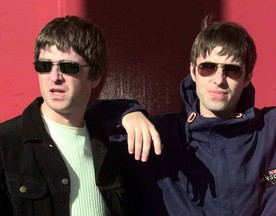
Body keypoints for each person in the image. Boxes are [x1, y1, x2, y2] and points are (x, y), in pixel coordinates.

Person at [96, 17, 276, 215]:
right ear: (193, 72)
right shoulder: (159, 135)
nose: (219, 79)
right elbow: (79, 117)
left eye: (232, 70)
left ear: (247, 77)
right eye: (208, 67)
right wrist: (126, 113)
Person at [0, 15, 161, 216]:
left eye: (68, 67)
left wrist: (131, 111)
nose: (54, 77)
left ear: (94, 76)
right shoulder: (6, 145)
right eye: (44, 66)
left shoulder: (111, 145)